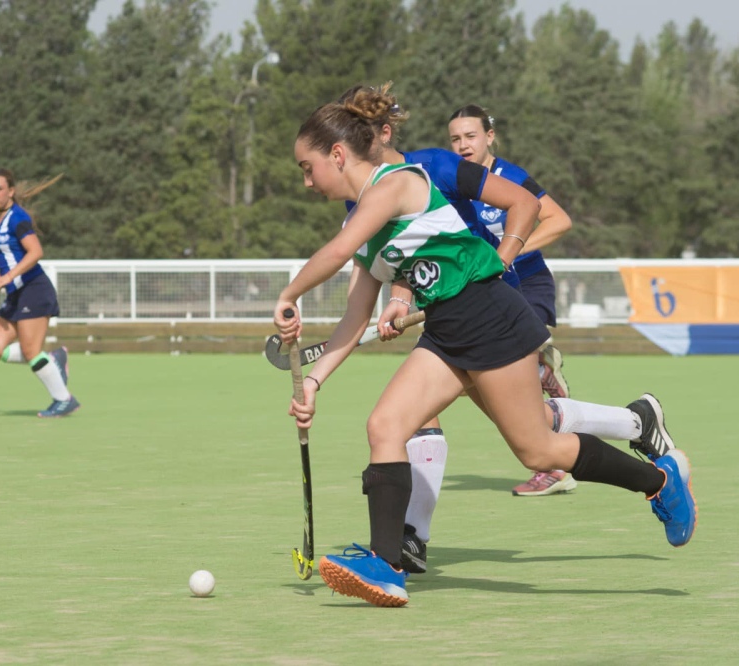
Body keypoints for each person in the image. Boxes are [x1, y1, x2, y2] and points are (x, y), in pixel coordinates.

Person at [275, 87, 697, 608]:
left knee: (537, 450)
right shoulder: (359, 221)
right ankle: (387, 567)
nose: (306, 180)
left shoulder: (395, 184)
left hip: (490, 317)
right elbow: (355, 315)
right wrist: (313, 383)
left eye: (307, 166)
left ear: (337, 155)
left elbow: (337, 253)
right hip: (447, 331)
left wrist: (290, 293)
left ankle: (659, 479)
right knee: (384, 427)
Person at [447, 104, 574, 497]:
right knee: (477, 386)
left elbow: (559, 220)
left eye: (471, 136)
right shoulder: (452, 182)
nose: (463, 145)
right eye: (455, 139)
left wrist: (510, 250)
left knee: (510, 373)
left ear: (489, 136)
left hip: (528, 283)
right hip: (491, 291)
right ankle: (549, 453)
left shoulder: (511, 177)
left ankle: (541, 377)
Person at [0, 169, 79, 418]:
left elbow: (35, 252)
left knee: (31, 351)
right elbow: (9, 248)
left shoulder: (18, 218)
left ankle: (63, 399)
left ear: (10, 191)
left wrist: (8, 276)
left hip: (34, 290)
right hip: (16, 294)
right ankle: (53, 359)